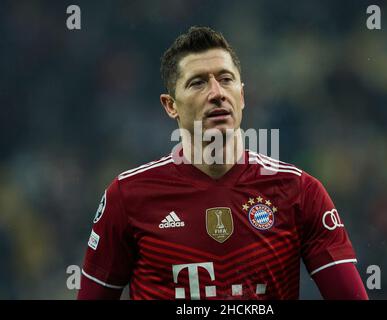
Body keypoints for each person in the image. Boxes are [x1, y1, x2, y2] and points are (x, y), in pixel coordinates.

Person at [77, 26, 368, 300]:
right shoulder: (127, 197)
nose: (217, 93)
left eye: (226, 79)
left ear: (241, 96)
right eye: (198, 82)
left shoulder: (300, 192)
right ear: (170, 105)